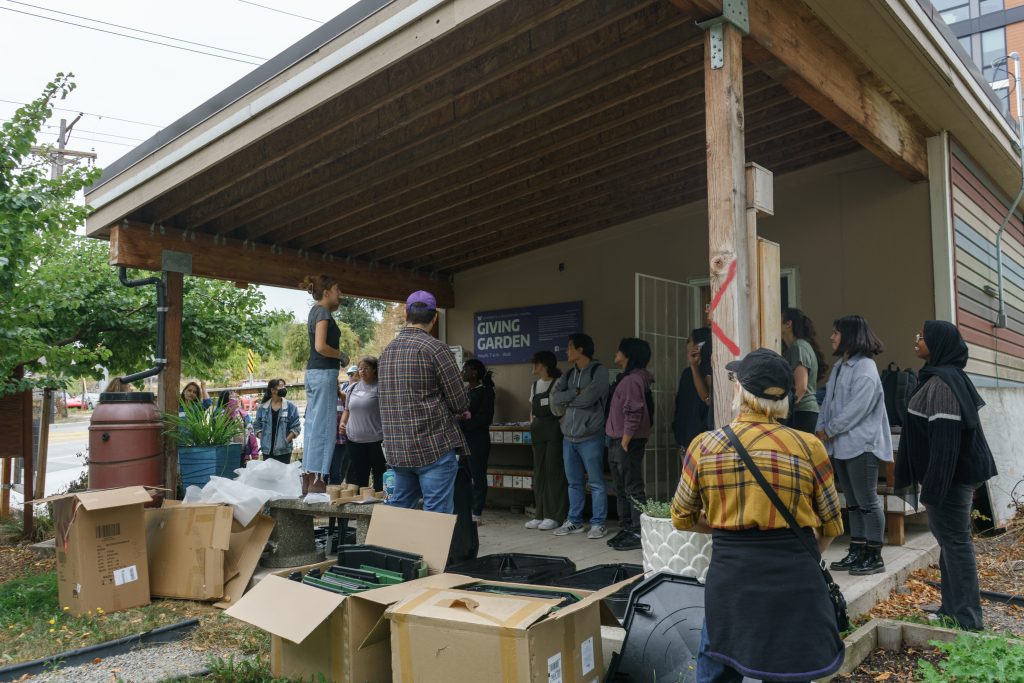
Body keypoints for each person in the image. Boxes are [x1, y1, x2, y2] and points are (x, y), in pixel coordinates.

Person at [672, 348, 846, 683]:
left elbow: (682, 516)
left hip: (731, 579)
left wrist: (724, 528)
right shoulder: (809, 446)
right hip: (796, 579)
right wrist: (804, 549)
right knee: (789, 671)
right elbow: (831, 524)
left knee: (719, 662)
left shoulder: (705, 445)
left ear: (740, 389)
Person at [895, 321, 997, 631]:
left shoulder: (942, 384)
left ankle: (967, 620)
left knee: (956, 544)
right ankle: (952, 610)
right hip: (949, 479)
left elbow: (945, 443)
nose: (917, 338)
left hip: (950, 481)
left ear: (937, 344)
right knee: (952, 543)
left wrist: (933, 489)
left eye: (923, 336)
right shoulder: (940, 377)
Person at [379, 291, 468, 514]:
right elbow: (460, 402)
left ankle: (393, 539)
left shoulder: (387, 352)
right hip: (433, 447)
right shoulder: (436, 348)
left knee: (400, 512)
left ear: (406, 314)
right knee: (435, 516)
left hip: (398, 450)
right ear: (434, 318)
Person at [816, 315, 892, 576]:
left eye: (836, 333)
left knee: (867, 501)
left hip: (862, 445)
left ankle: (874, 555)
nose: (831, 337)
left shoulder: (865, 368)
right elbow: (828, 402)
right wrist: (820, 427)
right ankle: (858, 550)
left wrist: (829, 429)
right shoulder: (840, 366)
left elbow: (856, 409)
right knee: (853, 502)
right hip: (840, 445)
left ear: (849, 336)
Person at [550, 333, 610, 539]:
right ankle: (574, 521)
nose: (566, 351)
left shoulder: (599, 371)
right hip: (568, 437)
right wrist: (575, 393)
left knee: (596, 483)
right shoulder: (568, 374)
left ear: (580, 349)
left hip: (591, 436)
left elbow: (589, 399)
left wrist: (569, 399)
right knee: (573, 483)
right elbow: (554, 398)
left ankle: (598, 523)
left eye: (569, 347)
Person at [300, 273, 349, 496]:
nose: (340, 293)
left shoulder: (314, 311)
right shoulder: (323, 312)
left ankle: (308, 478)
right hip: (324, 373)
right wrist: (341, 355)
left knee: (312, 425)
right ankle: (318, 480)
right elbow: (321, 346)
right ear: (327, 292)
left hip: (313, 373)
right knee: (325, 427)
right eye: (337, 289)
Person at [606, 338, 654, 551]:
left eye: (619, 350)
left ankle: (637, 530)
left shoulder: (633, 380)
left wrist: (625, 439)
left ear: (628, 355)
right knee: (621, 487)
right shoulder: (629, 378)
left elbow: (634, 411)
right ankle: (627, 527)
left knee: (632, 486)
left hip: (626, 441)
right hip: (618, 439)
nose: (616, 353)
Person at [525, 351, 568, 531]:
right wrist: (532, 423)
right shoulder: (535, 385)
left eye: (535, 362)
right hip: (538, 431)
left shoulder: (559, 383)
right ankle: (540, 514)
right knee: (539, 472)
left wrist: (560, 424)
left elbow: (565, 408)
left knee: (553, 471)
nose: (533, 366)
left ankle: (554, 515)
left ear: (543, 364)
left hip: (554, 430)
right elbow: (532, 410)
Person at [341, 356, 386, 491]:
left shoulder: (381, 388)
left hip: (376, 440)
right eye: (360, 369)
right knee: (358, 477)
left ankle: (379, 500)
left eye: (366, 368)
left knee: (379, 474)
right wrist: (343, 423)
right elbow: (347, 410)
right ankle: (359, 501)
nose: (362, 371)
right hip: (354, 440)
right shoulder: (352, 388)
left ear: (374, 370)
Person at [459, 358, 496, 524]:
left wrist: (464, 422)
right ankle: (464, 508)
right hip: (463, 439)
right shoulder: (466, 391)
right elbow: (463, 412)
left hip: (478, 439)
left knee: (478, 475)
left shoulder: (485, 391)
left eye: (465, 370)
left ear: (474, 373)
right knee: (463, 474)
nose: (462, 373)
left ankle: (477, 512)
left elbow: (485, 418)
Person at [781, 308, 827, 433]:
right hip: (803, 412)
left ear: (788, 324)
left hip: (802, 413)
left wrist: (784, 411)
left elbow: (801, 387)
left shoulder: (799, 346)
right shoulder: (795, 347)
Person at [672, 328, 712, 454]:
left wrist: (694, 366)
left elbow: (707, 398)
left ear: (699, 345)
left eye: (689, 340)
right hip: (684, 438)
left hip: (702, 439)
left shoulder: (708, 370)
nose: (687, 344)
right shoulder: (686, 373)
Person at [255, 379, 301, 466]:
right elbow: (257, 426)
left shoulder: (291, 407)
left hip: (284, 451)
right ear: (272, 390)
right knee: (268, 473)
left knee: (283, 473)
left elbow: (296, 427)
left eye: (284, 386)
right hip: (267, 450)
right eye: (280, 386)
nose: (283, 388)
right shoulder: (262, 407)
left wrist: (286, 441)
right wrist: (263, 438)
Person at [216, 389, 258, 465]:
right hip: (226, 451)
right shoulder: (219, 413)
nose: (234, 399)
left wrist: (254, 452)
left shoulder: (243, 414)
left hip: (242, 452)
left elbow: (250, 433)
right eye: (231, 397)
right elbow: (218, 429)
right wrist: (229, 412)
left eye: (236, 397)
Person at [330, 383, 351, 485]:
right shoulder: (318, 399)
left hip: (339, 440)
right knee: (323, 472)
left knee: (336, 471)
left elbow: (350, 414)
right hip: (323, 441)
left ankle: (335, 491)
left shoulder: (343, 397)